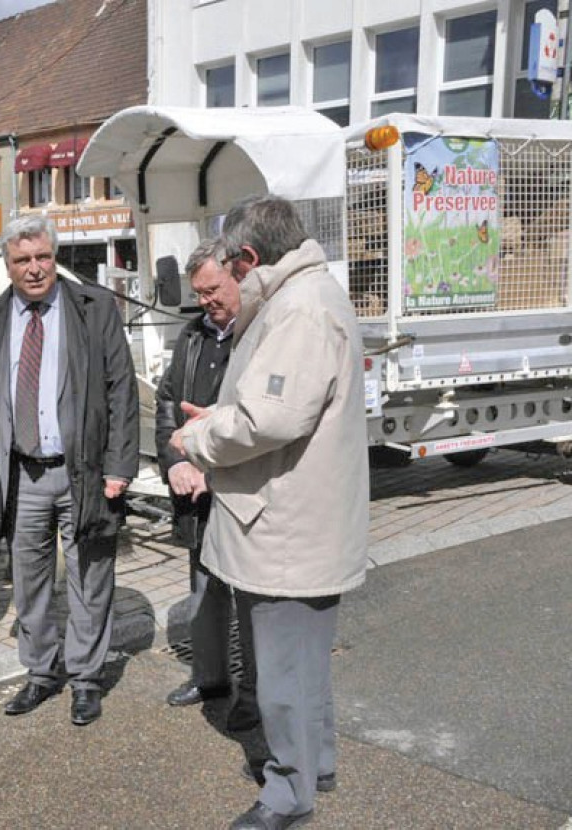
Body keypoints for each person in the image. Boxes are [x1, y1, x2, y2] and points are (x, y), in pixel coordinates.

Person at [171, 196, 369, 830]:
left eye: (235, 265)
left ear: (251, 257)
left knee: (283, 670)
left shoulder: (300, 310)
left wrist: (200, 438)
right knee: (305, 663)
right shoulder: (311, 295)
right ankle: (319, 763)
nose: (234, 279)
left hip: (284, 524)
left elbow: (271, 418)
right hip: (301, 516)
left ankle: (288, 792)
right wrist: (225, 420)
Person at [0, 215, 138, 727]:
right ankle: (40, 671)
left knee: (89, 574)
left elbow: (121, 390)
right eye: (23, 260)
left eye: (43, 257)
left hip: (84, 470)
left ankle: (85, 677)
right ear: (7, 264)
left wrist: (119, 466)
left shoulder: (94, 308)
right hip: (21, 475)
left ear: (54, 257)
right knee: (29, 580)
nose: (35, 269)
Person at [154, 239, 260, 734]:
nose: (206, 301)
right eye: (199, 293)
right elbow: (168, 402)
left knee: (251, 600)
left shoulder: (262, 333)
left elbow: (262, 420)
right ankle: (211, 677)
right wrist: (176, 461)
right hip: (195, 493)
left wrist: (213, 463)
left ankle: (256, 695)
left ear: (237, 276)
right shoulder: (192, 336)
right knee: (204, 593)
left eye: (213, 289)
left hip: (242, 489)